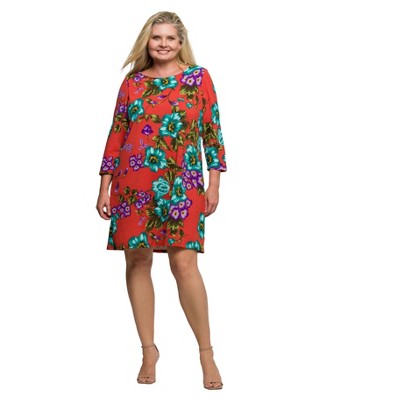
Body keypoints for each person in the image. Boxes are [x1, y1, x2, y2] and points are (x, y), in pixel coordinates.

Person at [96, 11, 227, 390]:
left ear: (181, 42)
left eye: (170, 38)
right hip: (133, 184)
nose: (163, 44)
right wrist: (104, 185)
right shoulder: (133, 83)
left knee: (184, 264)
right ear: (147, 42)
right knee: (137, 260)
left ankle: (206, 353)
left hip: (182, 185)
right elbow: (117, 132)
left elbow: (212, 130)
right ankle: (148, 350)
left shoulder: (198, 79)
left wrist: (214, 182)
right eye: (157, 38)